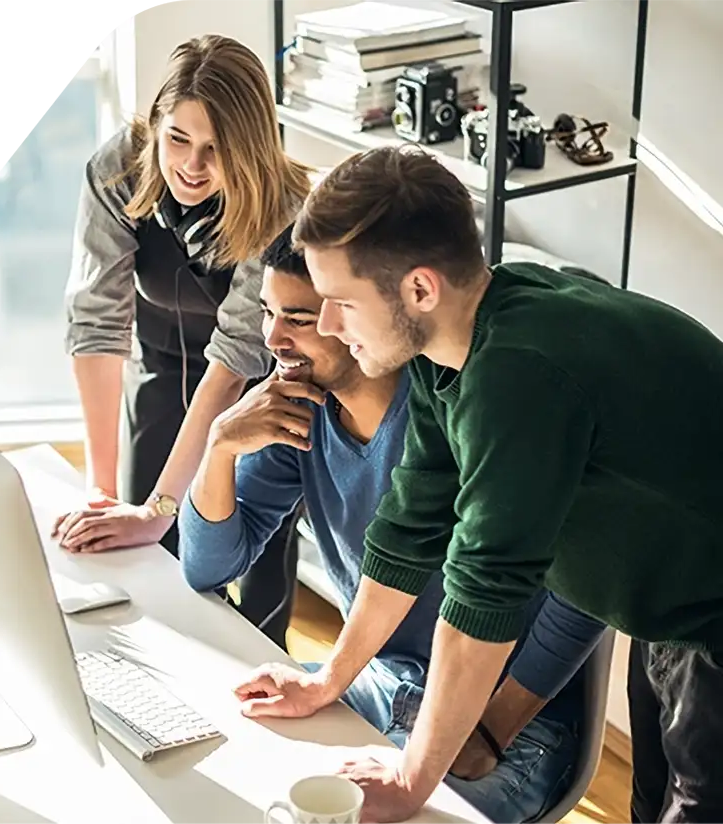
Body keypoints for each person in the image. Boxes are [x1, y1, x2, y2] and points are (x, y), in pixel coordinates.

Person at [231, 145, 723, 824]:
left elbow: (482, 598)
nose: (327, 327)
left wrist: (410, 781)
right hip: (670, 614)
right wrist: (327, 681)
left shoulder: (516, 375)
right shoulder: (453, 349)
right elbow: (408, 532)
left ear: (420, 289)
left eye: (341, 302)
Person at [179, 225, 607, 824]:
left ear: (354, 317)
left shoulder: (469, 415)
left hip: (501, 723)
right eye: (269, 313)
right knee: (213, 744)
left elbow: (588, 588)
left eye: (298, 318)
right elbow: (207, 566)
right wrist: (221, 444)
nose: (272, 339)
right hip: (378, 683)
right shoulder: (297, 410)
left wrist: (490, 729)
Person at [51, 34, 314, 646]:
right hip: (163, 357)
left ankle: (257, 661)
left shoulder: (283, 208)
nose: (191, 166)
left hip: (260, 380)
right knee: (142, 535)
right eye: (177, 139)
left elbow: (234, 360)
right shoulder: (118, 170)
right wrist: (103, 492)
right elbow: (96, 325)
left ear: (249, 150)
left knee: (242, 546)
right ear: (156, 124)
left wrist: (160, 510)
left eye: (215, 150)